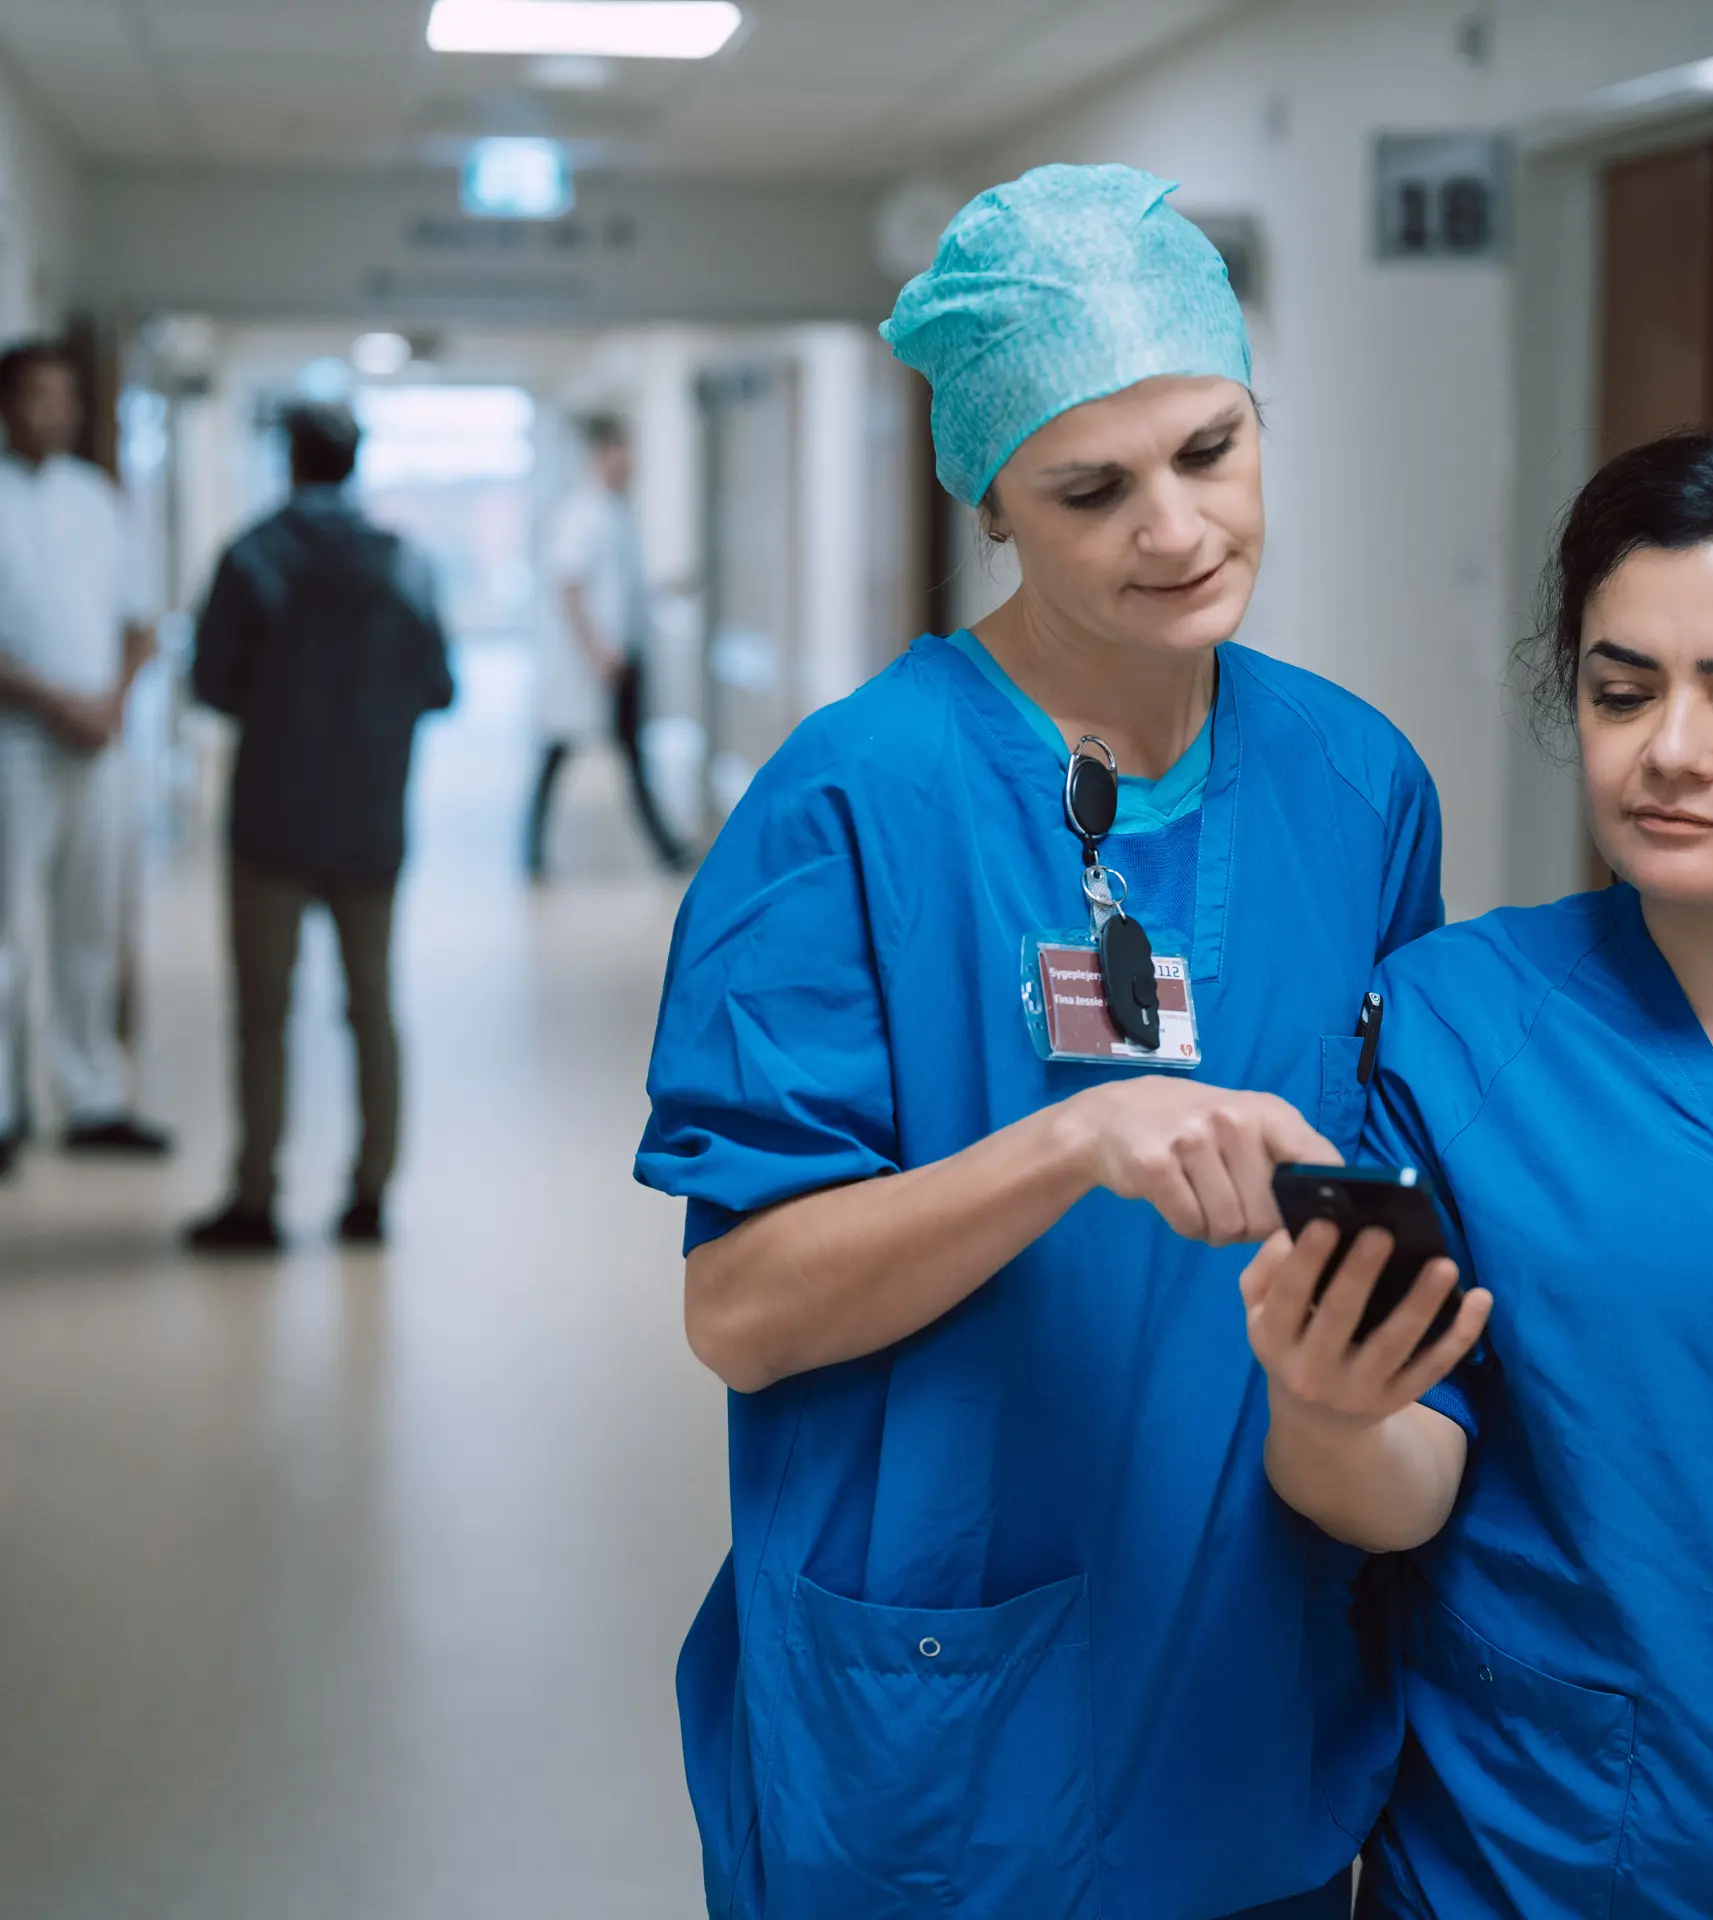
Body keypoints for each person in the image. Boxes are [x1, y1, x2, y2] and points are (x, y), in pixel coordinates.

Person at [635, 164, 1474, 1920]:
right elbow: (744, 1308)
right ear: (992, 500)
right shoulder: (854, 802)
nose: (1174, 531)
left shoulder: (1358, 784)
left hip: (1257, 1662)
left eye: (1210, 452)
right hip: (950, 1717)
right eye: (1091, 490)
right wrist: (1068, 1144)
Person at [1243, 432, 1713, 1917]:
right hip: (1546, 1858)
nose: (1671, 750)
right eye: (1622, 693)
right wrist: (1325, 1407)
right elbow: (1391, 1486)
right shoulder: (1459, 1028)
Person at [185, 403, 454, 1252]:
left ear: (288, 461)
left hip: (270, 819)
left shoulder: (251, 556)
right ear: (352, 463)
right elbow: (441, 685)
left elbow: (211, 687)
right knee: (370, 1005)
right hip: (370, 820)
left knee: (263, 1016)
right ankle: (371, 1194)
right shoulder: (403, 563)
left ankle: (256, 1196)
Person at [0, 339, 171, 1177]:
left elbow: (142, 620)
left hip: (99, 743)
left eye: (64, 398)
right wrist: (55, 701)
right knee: (4, 929)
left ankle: (92, 1094)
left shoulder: (99, 501)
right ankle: (3, 1108)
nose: (52, 413)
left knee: (90, 925)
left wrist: (112, 699)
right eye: (36, 396)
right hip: (15, 743)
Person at [524, 410, 689, 878]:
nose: (632, 460)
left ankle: (666, 847)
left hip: (624, 657)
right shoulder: (584, 513)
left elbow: (619, 587)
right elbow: (570, 587)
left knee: (631, 757)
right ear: (603, 454)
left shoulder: (619, 511)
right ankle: (531, 852)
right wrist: (597, 651)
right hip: (596, 663)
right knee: (558, 755)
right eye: (624, 449)